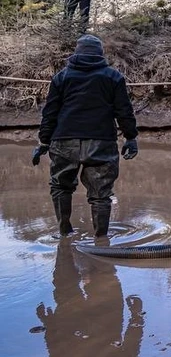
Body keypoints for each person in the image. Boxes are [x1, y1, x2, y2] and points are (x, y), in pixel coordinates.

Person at [32, 34, 139, 238]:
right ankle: (101, 240)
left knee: (60, 187)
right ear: (100, 54)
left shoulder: (61, 77)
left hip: (64, 142)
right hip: (101, 142)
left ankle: (65, 233)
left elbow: (50, 113)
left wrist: (43, 142)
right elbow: (124, 111)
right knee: (101, 195)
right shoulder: (113, 77)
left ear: (76, 53)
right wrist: (130, 137)